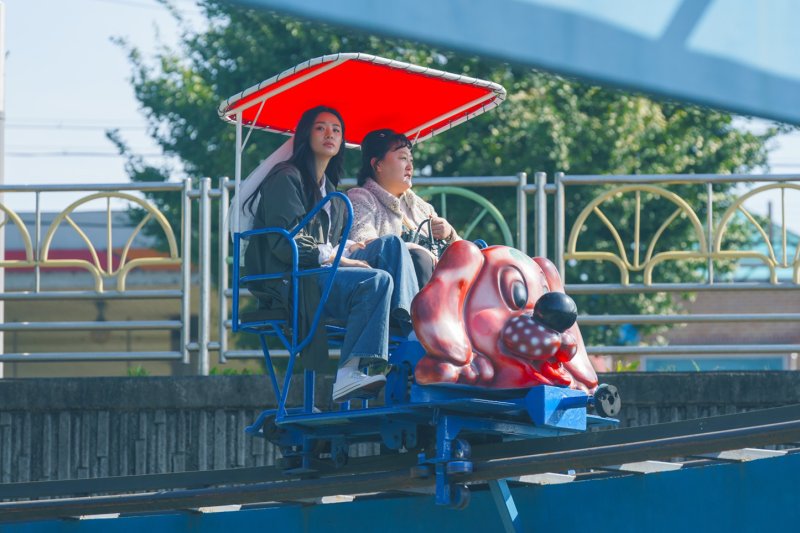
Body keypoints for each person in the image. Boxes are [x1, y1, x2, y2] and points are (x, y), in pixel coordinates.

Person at [243, 107, 416, 402]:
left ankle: (412, 330)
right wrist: (338, 257)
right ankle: (351, 370)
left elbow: (331, 245)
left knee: (390, 245)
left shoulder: (331, 191)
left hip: (319, 271)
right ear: (305, 135)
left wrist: (347, 250)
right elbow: (288, 243)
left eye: (336, 130)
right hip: (291, 279)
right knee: (376, 281)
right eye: (320, 128)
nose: (330, 135)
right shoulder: (286, 178)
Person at [347, 129, 460, 288]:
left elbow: (464, 255)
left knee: (482, 251)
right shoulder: (360, 199)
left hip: (444, 287)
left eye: (411, 160)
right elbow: (366, 246)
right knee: (418, 257)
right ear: (378, 164)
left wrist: (450, 235)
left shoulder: (421, 206)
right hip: (399, 291)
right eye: (402, 158)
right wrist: (411, 248)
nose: (410, 167)